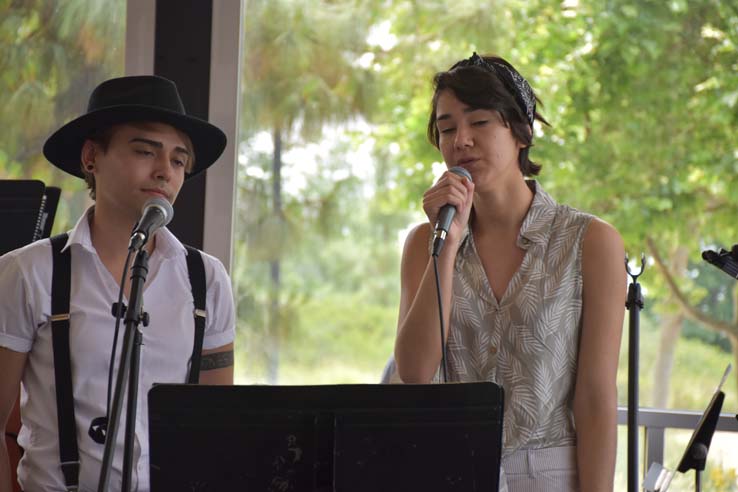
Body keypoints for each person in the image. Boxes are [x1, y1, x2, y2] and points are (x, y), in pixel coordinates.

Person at [393, 53, 625, 492]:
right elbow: (415, 372)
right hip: (449, 468)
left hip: (552, 474)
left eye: (479, 122)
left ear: (521, 132)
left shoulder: (589, 242)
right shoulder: (426, 242)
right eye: (446, 129)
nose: (461, 140)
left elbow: (595, 397)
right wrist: (445, 249)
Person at [0, 76, 236, 491]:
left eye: (179, 161)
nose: (165, 171)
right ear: (91, 156)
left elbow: (216, 427)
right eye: (145, 151)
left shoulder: (206, 279)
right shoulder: (28, 272)